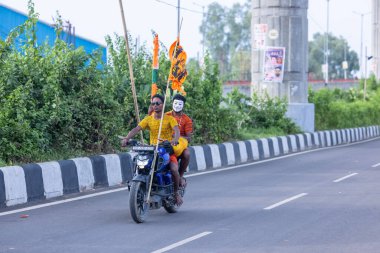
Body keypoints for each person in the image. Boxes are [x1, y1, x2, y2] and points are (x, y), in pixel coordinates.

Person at [121, 94, 183, 205]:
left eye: (157, 103)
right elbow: (137, 129)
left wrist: (175, 139)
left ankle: (176, 193)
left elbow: (176, 130)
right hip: (152, 150)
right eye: (153, 104)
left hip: (166, 149)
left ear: (163, 105)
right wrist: (127, 138)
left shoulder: (170, 119)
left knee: (174, 169)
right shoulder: (148, 119)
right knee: (139, 163)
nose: (155, 106)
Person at [166, 94, 193, 187]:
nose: (177, 106)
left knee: (187, 154)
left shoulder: (187, 119)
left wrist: (176, 137)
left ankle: (180, 176)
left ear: (183, 105)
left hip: (179, 145)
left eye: (180, 104)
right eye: (175, 103)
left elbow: (189, 138)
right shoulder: (165, 116)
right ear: (172, 103)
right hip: (165, 143)